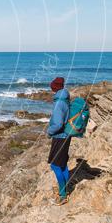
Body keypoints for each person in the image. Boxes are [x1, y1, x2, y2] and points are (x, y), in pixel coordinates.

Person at [46, 76, 71, 205]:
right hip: (65, 136)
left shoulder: (59, 102)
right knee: (62, 164)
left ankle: (62, 195)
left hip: (59, 137)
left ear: (54, 88)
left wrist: (48, 132)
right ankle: (66, 189)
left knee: (55, 165)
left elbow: (57, 124)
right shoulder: (65, 99)